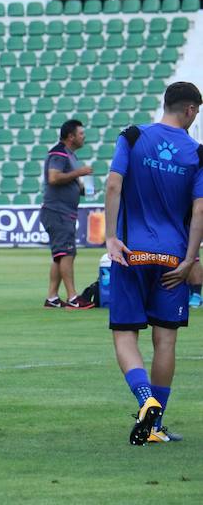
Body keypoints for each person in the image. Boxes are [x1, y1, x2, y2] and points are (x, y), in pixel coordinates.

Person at [104, 81, 203, 445]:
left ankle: (145, 401)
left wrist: (111, 237)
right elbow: (200, 210)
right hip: (173, 257)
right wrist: (192, 259)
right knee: (165, 341)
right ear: (191, 110)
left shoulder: (131, 136)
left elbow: (114, 185)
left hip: (132, 254)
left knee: (125, 334)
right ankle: (156, 425)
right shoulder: (197, 153)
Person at [40, 120, 94, 308]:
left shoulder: (69, 155)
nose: (83, 136)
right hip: (58, 211)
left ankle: (52, 298)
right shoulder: (59, 153)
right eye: (81, 133)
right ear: (70, 136)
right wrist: (79, 173)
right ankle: (73, 297)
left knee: (60, 254)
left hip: (62, 211)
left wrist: (78, 187)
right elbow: (53, 177)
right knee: (67, 252)